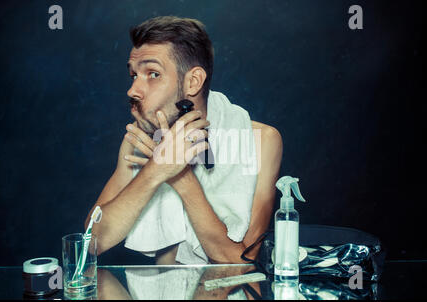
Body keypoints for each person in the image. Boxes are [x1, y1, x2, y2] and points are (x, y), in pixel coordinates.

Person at [85, 16, 283, 264]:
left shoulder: (261, 141)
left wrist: (180, 176)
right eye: (133, 75)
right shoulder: (141, 138)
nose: (133, 90)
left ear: (193, 82)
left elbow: (242, 261)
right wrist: (155, 171)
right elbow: (92, 242)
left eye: (153, 74)